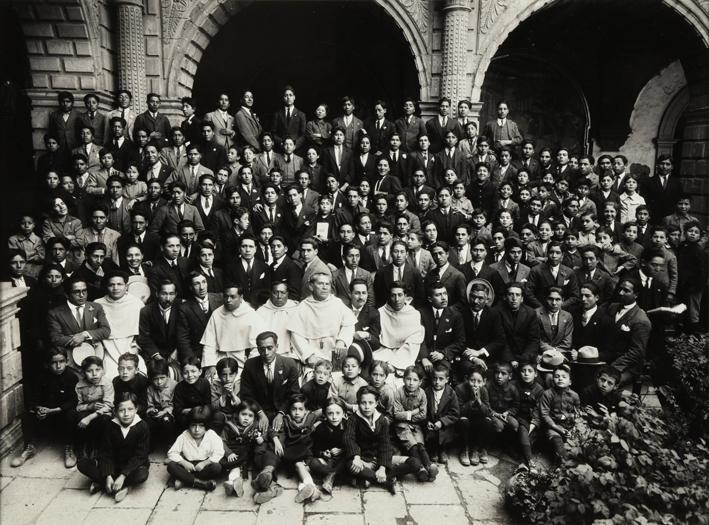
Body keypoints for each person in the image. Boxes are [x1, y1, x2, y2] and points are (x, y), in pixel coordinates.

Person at [344, 385, 420, 493]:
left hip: (379, 457)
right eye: (363, 403)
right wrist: (356, 457)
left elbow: (385, 443)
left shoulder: (382, 420)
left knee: (415, 463)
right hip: (363, 458)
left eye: (370, 403)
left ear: (376, 403)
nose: (366, 406)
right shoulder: (353, 419)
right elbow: (349, 438)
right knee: (349, 465)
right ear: (358, 403)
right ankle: (385, 481)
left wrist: (382, 467)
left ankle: (375, 477)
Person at [11, 348, 79, 469]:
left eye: (62, 361)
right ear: (47, 364)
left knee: (72, 414)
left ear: (67, 361)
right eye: (54, 363)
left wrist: (53, 410)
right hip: (45, 418)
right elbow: (32, 398)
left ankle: (69, 448)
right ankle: (29, 447)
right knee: (27, 415)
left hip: (62, 417)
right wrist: (38, 409)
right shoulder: (41, 378)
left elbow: (73, 401)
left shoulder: (72, 377)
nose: (58, 366)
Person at [77, 392, 149, 502]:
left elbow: (140, 455)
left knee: (142, 474)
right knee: (82, 463)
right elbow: (106, 453)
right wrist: (108, 475)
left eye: (130, 409)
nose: (126, 414)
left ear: (136, 409)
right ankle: (108, 482)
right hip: (113, 465)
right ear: (115, 411)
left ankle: (120, 485)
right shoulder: (110, 426)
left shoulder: (142, 426)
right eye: (121, 410)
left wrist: (123, 475)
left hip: (131, 466)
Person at [288, 272, 357, 371]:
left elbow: (349, 325)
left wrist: (341, 341)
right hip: (313, 357)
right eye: (320, 284)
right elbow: (296, 335)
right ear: (311, 286)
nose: (324, 287)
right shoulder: (303, 306)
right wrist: (308, 355)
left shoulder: (337, 303)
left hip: (334, 354)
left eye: (327, 284)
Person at [199, 283, 265, 377]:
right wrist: (211, 365)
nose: (228, 300)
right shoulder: (217, 314)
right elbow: (209, 343)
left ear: (241, 297)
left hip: (243, 361)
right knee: (212, 381)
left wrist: (250, 366)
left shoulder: (251, 315)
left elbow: (256, 347)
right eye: (226, 296)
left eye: (232, 297)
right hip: (219, 360)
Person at [47, 276, 112, 371]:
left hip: (95, 355)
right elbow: (55, 338)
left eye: (84, 291)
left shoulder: (96, 307)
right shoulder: (55, 313)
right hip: (71, 359)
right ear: (66, 294)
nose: (82, 295)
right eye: (76, 292)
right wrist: (75, 339)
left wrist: (85, 335)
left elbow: (106, 330)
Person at [239, 331, 300, 421]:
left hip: (283, 411)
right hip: (258, 411)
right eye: (262, 349)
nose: (266, 352)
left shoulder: (290, 364)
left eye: (269, 348)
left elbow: (294, 394)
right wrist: (260, 413)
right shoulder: (250, 365)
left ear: (276, 347)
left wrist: (281, 413)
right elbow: (246, 395)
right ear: (258, 349)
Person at [96, 271, 146, 379]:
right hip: (107, 349)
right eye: (111, 285)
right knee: (109, 376)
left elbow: (143, 331)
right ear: (106, 286)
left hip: (130, 347)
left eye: (119, 284)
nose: (115, 288)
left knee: (139, 374)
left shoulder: (136, 303)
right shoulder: (97, 304)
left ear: (126, 286)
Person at [393, 366, 438, 482]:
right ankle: (420, 469)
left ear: (420, 382)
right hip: (401, 426)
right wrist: (413, 412)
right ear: (403, 379)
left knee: (420, 444)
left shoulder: (422, 393)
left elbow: (423, 414)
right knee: (412, 445)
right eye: (408, 379)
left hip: (416, 425)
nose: (411, 383)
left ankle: (429, 466)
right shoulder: (399, 393)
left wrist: (408, 417)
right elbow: (397, 414)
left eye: (415, 380)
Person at [604, 278, 651, 387]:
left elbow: (637, 352)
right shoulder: (613, 307)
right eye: (620, 289)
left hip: (628, 367)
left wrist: (613, 367)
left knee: (607, 382)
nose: (621, 293)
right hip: (608, 358)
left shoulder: (641, 320)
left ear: (636, 295)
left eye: (626, 291)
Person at [373, 282, 425, 380]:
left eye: (400, 295)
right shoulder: (381, 312)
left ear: (405, 296)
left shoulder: (414, 314)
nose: (397, 299)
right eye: (393, 295)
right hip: (384, 350)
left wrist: (395, 362)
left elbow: (414, 341)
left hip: (405, 353)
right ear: (389, 296)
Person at [166, 405, 223, 491]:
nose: (196, 430)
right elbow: (172, 452)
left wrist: (204, 463)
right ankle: (201, 484)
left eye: (201, 426)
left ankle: (184, 479)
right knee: (171, 466)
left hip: (204, 466)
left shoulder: (211, 435)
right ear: (188, 426)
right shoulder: (184, 435)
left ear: (206, 426)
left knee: (217, 467)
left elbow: (219, 452)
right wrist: (183, 462)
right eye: (193, 425)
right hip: (188, 465)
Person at [419, 282, 465, 375]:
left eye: (444, 293)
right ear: (430, 299)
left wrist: (443, 353)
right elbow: (417, 338)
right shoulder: (420, 314)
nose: (443, 298)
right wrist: (423, 357)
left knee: (441, 376)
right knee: (418, 377)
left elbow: (460, 341)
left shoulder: (455, 315)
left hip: (443, 358)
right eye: (438, 295)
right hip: (425, 357)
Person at [538, 364, 580, 464]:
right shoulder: (547, 394)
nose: (560, 378)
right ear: (553, 380)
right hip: (553, 426)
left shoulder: (574, 395)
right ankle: (563, 463)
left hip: (570, 426)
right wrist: (557, 428)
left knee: (577, 446)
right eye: (557, 376)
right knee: (558, 443)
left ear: (570, 381)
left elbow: (577, 412)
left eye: (564, 377)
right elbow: (544, 414)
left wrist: (574, 426)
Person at [74, 355, 114, 458]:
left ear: (103, 370)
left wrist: (90, 417)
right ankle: (83, 446)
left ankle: (99, 447)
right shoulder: (79, 386)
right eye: (89, 371)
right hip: (87, 411)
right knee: (79, 418)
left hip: (103, 412)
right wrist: (89, 407)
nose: (94, 374)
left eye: (98, 369)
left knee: (104, 420)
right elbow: (77, 406)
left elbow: (109, 405)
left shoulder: (106, 383)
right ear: (83, 373)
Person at [495, 282, 540, 366]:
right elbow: (500, 339)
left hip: (526, 356)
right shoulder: (497, 312)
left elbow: (534, 340)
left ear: (522, 298)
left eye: (518, 295)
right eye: (511, 294)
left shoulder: (530, 313)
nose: (514, 298)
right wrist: (510, 359)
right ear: (505, 297)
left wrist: (524, 358)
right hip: (504, 356)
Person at [308, 397, 347, 494]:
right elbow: (314, 448)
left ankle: (331, 477)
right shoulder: (320, 428)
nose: (334, 417)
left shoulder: (348, 426)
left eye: (338, 413)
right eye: (330, 413)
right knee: (313, 463)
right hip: (327, 461)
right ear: (325, 414)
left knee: (349, 460)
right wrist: (322, 453)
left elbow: (354, 445)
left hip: (342, 459)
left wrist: (341, 450)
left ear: (344, 414)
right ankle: (335, 475)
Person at [423, 362, 459, 465]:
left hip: (444, 426)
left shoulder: (451, 393)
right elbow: (423, 410)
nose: (437, 382)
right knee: (430, 435)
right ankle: (433, 450)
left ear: (447, 379)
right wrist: (427, 421)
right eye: (434, 378)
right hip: (431, 425)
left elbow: (455, 413)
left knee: (444, 435)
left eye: (441, 379)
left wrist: (442, 422)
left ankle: (442, 450)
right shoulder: (426, 392)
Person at [485, 362, 520, 463]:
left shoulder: (513, 389)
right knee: (499, 427)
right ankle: (487, 445)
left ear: (510, 376)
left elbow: (516, 406)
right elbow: (485, 404)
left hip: (505, 414)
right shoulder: (488, 386)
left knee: (515, 425)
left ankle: (507, 445)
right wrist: (494, 413)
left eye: (503, 374)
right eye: (497, 373)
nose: (499, 376)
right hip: (492, 414)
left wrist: (508, 412)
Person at [455, 366, 490, 466]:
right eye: (472, 380)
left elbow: (487, 411)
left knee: (488, 421)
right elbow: (458, 411)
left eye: (479, 381)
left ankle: (476, 449)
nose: (475, 384)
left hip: (477, 421)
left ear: (484, 381)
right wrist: (472, 401)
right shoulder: (459, 389)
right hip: (463, 421)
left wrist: (479, 402)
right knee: (463, 420)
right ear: (466, 379)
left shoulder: (483, 390)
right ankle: (464, 449)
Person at [514, 360, 544, 470]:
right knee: (523, 428)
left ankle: (523, 463)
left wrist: (533, 424)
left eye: (530, 371)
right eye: (523, 371)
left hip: (531, 420)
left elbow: (538, 410)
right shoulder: (514, 385)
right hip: (517, 417)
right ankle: (530, 462)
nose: (526, 374)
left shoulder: (539, 389)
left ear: (535, 374)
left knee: (530, 435)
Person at [173, 356, 211, 430]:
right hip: (187, 415)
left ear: (200, 372)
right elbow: (177, 409)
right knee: (181, 420)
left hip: (203, 414)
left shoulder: (205, 383)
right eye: (185, 373)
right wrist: (189, 411)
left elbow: (207, 403)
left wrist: (201, 412)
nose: (190, 375)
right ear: (181, 374)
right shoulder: (179, 387)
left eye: (193, 371)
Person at [145, 358, 177, 447]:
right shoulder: (150, 388)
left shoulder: (174, 385)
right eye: (155, 379)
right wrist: (152, 410)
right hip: (157, 412)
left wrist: (166, 411)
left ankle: (171, 445)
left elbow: (175, 403)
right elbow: (149, 405)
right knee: (147, 423)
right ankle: (150, 445)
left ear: (167, 375)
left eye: (162, 378)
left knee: (166, 420)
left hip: (170, 413)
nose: (159, 382)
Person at [537, 286, 574, 358]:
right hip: (540, 354)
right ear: (546, 299)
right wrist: (551, 351)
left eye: (558, 299)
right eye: (551, 299)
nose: (554, 303)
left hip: (561, 355)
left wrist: (556, 353)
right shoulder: (536, 314)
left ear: (563, 300)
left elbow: (567, 342)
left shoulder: (567, 316)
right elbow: (536, 339)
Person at [272, 85, 307, 153]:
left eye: (290, 95)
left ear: (294, 97)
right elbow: (273, 133)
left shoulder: (301, 115)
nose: (288, 97)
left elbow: (303, 134)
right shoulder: (277, 114)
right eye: (286, 95)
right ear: (283, 98)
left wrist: (295, 145)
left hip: (296, 150)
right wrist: (281, 143)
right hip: (281, 149)